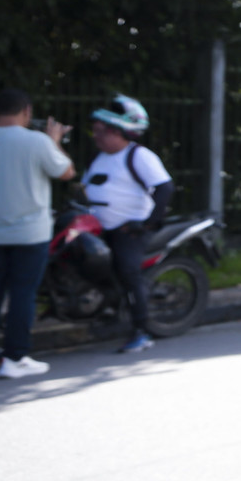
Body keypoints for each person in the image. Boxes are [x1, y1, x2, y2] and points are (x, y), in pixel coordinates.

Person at [0, 88, 76, 379]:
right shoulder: (38, 142)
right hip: (30, 234)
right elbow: (66, 173)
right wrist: (54, 142)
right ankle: (15, 357)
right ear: (26, 111)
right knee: (22, 295)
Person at [83, 95, 174, 354]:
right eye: (96, 131)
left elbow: (165, 189)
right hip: (97, 228)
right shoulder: (97, 158)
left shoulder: (139, 156)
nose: (96, 136)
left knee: (127, 271)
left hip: (129, 230)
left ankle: (141, 330)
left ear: (119, 132)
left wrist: (146, 224)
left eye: (102, 132)